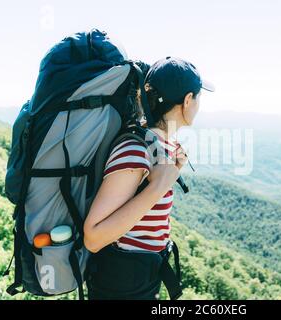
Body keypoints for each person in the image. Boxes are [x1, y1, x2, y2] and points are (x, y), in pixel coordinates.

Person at [83, 57, 214, 300]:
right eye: (198, 98)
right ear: (187, 101)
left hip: (142, 280)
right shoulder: (136, 150)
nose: (198, 105)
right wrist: (158, 186)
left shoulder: (160, 147)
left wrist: (168, 173)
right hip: (121, 288)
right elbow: (93, 237)